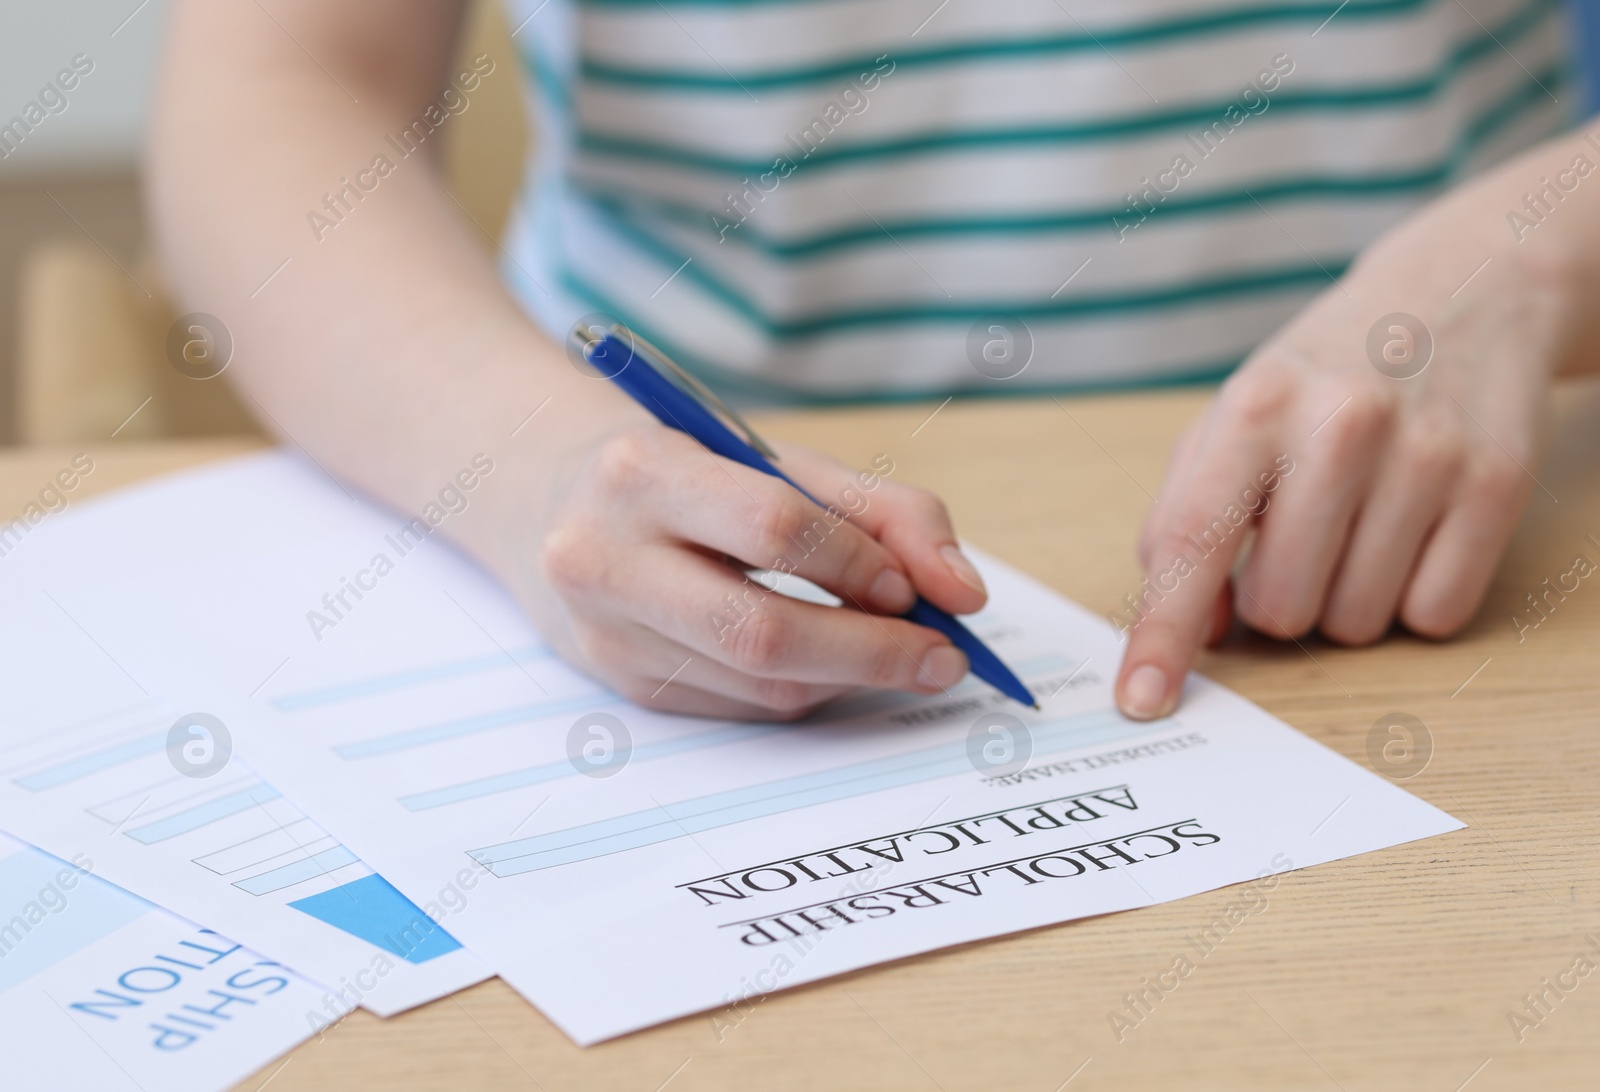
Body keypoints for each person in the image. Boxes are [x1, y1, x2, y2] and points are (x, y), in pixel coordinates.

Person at [148, 0, 1596, 721]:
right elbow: (275, 87)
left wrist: (1538, 257)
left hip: (1479, 523)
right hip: (649, 530)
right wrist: (522, 457)